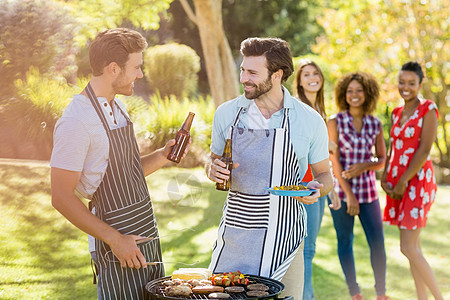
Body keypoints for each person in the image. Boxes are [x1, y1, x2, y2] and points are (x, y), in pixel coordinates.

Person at [50, 28, 189, 299]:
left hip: (145, 231)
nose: (140, 74)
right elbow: (61, 196)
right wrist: (115, 240)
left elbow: (126, 173)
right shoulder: (76, 122)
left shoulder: (118, 107)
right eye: (136, 67)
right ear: (113, 68)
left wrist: (162, 155)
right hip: (117, 243)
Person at [206, 37, 333, 299]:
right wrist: (212, 169)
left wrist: (317, 189)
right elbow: (213, 159)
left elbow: (325, 174)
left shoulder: (309, 120)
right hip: (236, 235)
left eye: (252, 72)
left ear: (277, 75)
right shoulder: (227, 113)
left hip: (286, 240)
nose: (244, 78)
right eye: (243, 70)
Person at [381, 62, 442, 300]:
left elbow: (425, 149)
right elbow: (393, 146)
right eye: (402, 82)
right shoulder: (396, 112)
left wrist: (403, 181)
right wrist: (387, 174)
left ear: (420, 84)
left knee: (407, 247)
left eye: (411, 83)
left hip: (417, 181)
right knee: (413, 249)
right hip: (398, 181)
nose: (405, 88)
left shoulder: (428, 108)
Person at [327, 72, 389, 300]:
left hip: (369, 193)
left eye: (359, 90)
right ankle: (355, 293)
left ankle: (381, 292)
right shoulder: (335, 121)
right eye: (350, 90)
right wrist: (350, 196)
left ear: (367, 93)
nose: (354, 95)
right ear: (344, 94)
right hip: (342, 194)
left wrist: (365, 165)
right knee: (345, 241)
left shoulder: (375, 123)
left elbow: (382, 158)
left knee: (378, 243)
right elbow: (334, 160)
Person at [292, 59, 341, 300]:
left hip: (319, 186)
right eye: (306, 74)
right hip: (303, 187)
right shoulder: (298, 110)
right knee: (305, 249)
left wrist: (330, 188)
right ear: (299, 82)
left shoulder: (319, 110)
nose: (312, 78)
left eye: (316, 73)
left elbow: (321, 160)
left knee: (309, 249)